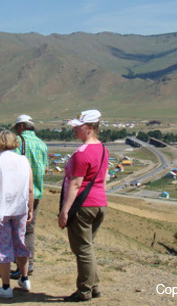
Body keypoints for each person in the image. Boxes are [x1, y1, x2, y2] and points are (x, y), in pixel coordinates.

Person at [59, 110, 109, 302]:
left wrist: (65, 211)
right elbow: (102, 180)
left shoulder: (82, 154)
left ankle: (84, 291)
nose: (74, 129)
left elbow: (76, 184)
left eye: (78, 126)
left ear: (89, 128)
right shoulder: (103, 149)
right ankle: (93, 286)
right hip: (99, 203)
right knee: (88, 247)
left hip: (83, 205)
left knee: (83, 250)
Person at [0, 130, 34, 299]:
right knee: (20, 243)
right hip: (20, 208)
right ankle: (24, 278)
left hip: (1, 210)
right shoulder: (23, 160)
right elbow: (30, 188)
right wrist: (31, 209)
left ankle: (6, 287)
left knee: (3, 246)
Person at [10, 114, 48, 279]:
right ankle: (29, 263)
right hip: (36, 192)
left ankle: (20, 265)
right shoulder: (42, 144)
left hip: (19, 192)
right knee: (29, 230)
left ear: (21, 127)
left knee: (16, 229)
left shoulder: (18, 142)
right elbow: (45, 168)